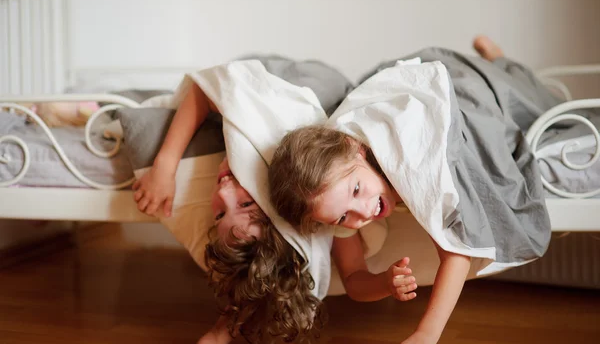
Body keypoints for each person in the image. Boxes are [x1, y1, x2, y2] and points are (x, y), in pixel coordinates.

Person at [268, 36, 560, 344]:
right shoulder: (331, 200)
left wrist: (426, 333)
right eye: (342, 218)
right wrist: (384, 283)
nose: (362, 211)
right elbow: (354, 280)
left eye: (357, 190)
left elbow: (456, 249)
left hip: (456, 88)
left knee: (528, 101)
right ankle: (497, 61)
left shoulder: (407, 155)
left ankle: (497, 60)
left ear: (355, 148)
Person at [131, 60, 421, 343]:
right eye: (245, 206)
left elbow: (209, 89)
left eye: (219, 215)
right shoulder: (323, 215)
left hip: (294, 76)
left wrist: (165, 166)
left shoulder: (261, 148)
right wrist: (385, 283)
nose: (223, 193)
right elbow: (355, 279)